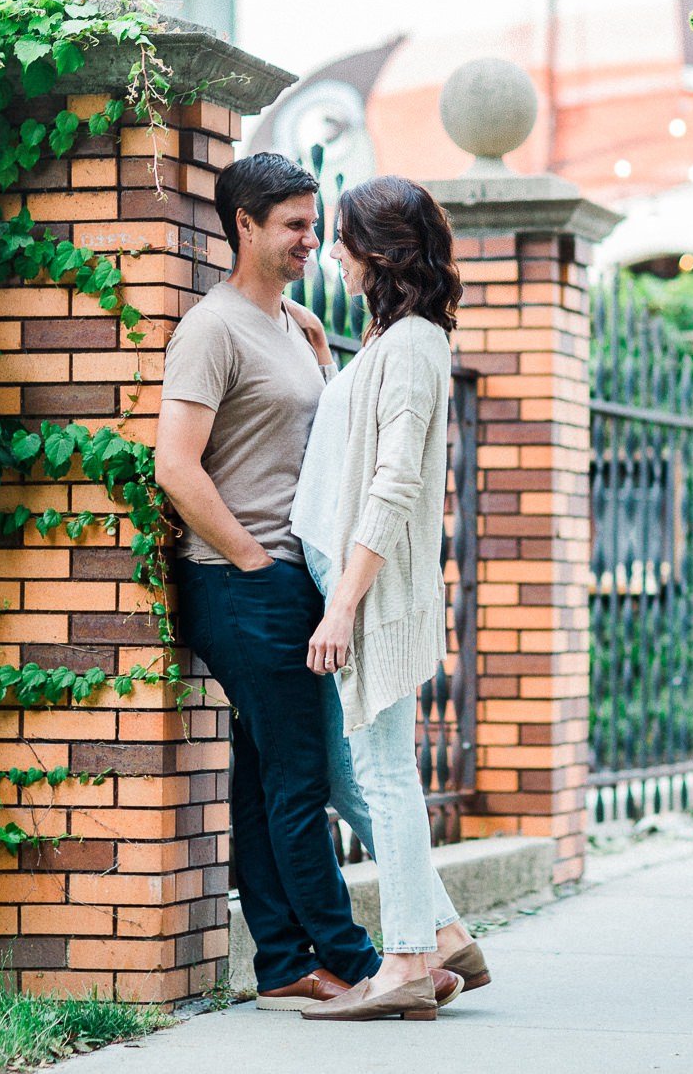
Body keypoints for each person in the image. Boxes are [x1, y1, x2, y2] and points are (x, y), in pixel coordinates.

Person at [155, 152, 400, 1011]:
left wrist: (320, 352)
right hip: (243, 581)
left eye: (313, 222)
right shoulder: (212, 328)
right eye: (293, 224)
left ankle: (283, 964)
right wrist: (255, 561)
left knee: (265, 778)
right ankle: (360, 961)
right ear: (244, 226)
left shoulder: (292, 325)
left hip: (286, 575)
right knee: (298, 781)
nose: (311, 238)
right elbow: (177, 467)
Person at [288, 175, 491, 1023]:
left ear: (380, 251)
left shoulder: (412, 344)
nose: (330, 252)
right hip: (346, 573)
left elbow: (396, 479)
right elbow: (358, 436)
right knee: (347, 768)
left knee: (380, 770)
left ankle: (406, 956)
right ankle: (441, 932)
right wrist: (331, 360)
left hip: (361, 585)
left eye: (341, 239)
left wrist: (344, 605)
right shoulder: (391, 342)